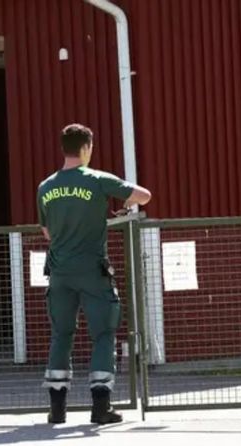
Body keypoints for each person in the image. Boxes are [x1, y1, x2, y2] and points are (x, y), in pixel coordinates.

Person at [38, 123, 152, 424]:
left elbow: (47, 232)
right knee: (103, 334)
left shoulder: (46, 187)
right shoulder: (98, 179)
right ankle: (100, 408)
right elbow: (144, 195)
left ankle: (57, 410)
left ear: (64, 148)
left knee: (61, 335)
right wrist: (126, 202)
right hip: (92, 270)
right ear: (87, 147)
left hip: (59, 272)